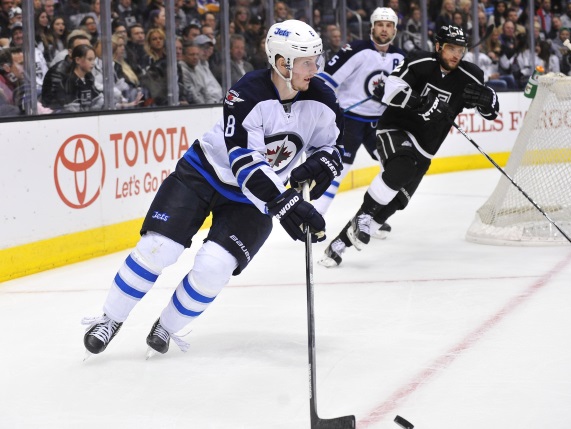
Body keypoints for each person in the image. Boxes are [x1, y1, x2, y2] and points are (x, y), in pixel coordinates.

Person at [81, 19, 344, 357]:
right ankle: (110, 318)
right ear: (283, 63)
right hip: (203, 174)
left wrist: (324, 162)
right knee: (158, 248)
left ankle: (167, 326)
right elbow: (244, 163)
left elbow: (332, 145)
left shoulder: (322, 97)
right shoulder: (246, 93)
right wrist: (285, 202)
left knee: (214, 267)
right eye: (307, 61)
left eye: (316, 59)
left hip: (253, 200)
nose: (315, 68)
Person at [318, 24, 500, 267]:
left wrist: (490, 102)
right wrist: (420, 102)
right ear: (438, 47)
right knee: (401, 167)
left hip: (426, 145)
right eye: (450, 48)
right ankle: (361, 217)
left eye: (460, 49)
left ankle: (338, 245)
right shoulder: (419, 62)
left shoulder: (471, 75)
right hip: (395, 128)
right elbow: (390, 89)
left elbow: (488, 112)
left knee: (395, 202)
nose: (456, 54)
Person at [315, 7, 404, 223]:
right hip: (351, 121)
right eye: (380, 24)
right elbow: (327, 80)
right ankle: (314, 216)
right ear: (372, 27)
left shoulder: (400, 57)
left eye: (389, 25)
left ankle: (373, 218)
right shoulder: (355, 50)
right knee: (339, 170)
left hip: (379, 123)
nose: (384, 29)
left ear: (395, 29)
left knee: (392, 169)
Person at [179, 39, 222, 104]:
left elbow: (206, 92)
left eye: (197, 54)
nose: (195, 57)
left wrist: (211, 106)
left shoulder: (198, 69)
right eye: (192, 55)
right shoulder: (182, 70)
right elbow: (192, 96)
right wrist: (205, 108)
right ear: (183, 56)